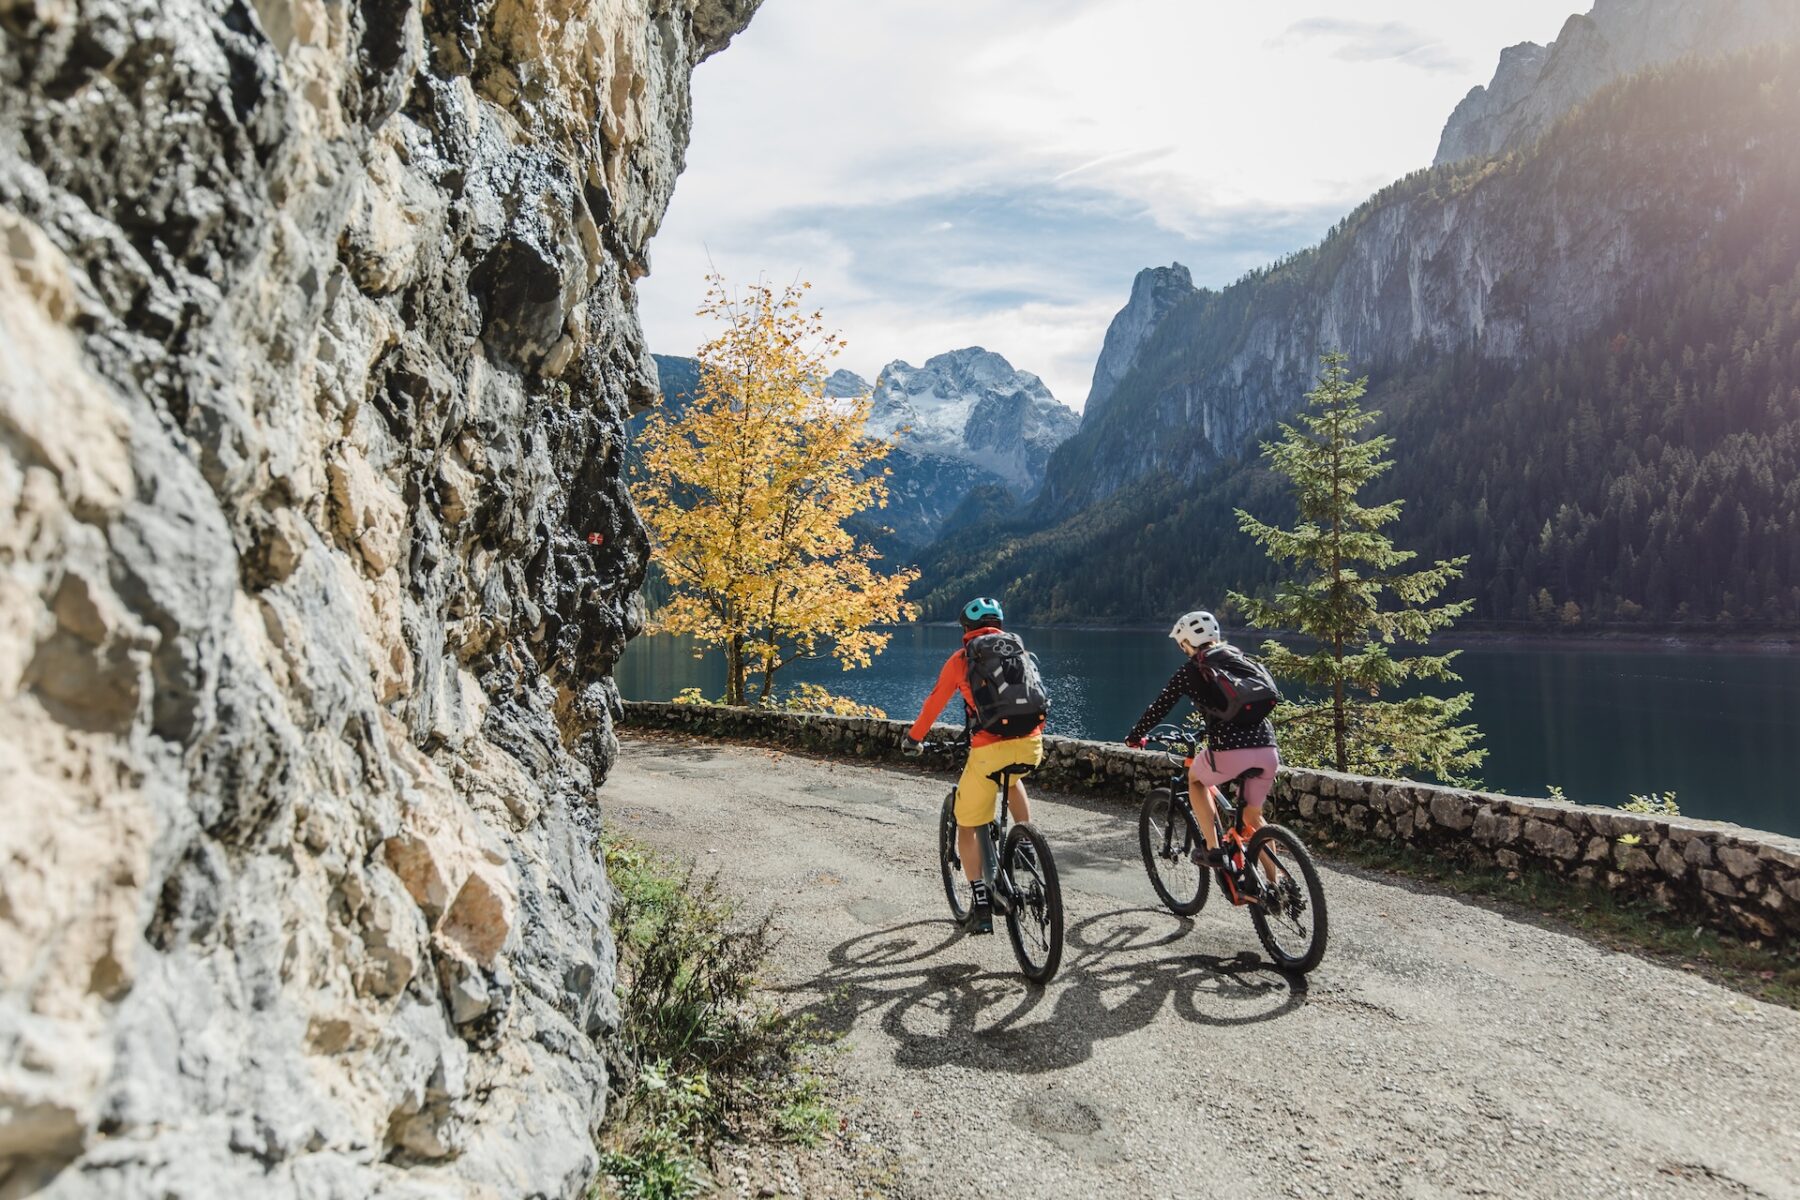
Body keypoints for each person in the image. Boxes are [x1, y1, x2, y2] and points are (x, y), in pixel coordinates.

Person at [902, 597, 1045, 934]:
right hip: (1031, 746)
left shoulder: (961, 659)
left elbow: (934, 703)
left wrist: (913, 739)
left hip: (987, 752)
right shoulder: (1019, 653)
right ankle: (1025, 843)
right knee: (1012, 779)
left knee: (966, 823)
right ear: (1000, 625)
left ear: (965, 629)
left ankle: (980, 901)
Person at [1124, 609, 1280, 884]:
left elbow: (1160, 707)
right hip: (1267, 749)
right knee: (1254, 819)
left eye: (1180, 643)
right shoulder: (1239, 657)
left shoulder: (1192, 670)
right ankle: (1275, 884)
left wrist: (1135, 736)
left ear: (1186, 643)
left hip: (1229, 750)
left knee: (1195, 780)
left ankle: (1214, 849)